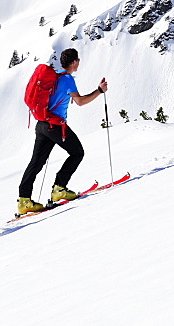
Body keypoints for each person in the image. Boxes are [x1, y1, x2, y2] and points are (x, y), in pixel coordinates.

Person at [17, 48, 107, 215]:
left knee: (36, 163)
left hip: (42, 123)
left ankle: (24, 200)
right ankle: (59, 189)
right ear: (73, 62)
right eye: (77, 60)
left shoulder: (55, 74)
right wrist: (99, 91)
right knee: (77, 152)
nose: (79, 62)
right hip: (55, 127)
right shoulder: (67, 79)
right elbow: (80, 101)